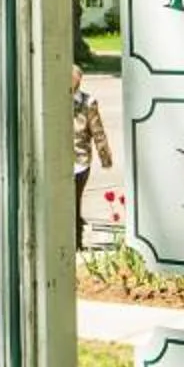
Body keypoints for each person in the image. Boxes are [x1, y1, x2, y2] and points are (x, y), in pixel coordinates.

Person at [70, 65, 112, 246]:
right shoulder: (55, 100)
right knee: (65, 202)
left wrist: (105, 158)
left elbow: (98, 132)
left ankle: (76, 241)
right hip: (58, 161)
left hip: (80, 161)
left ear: (78, 80)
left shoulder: (88, 103)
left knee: (74, 200)